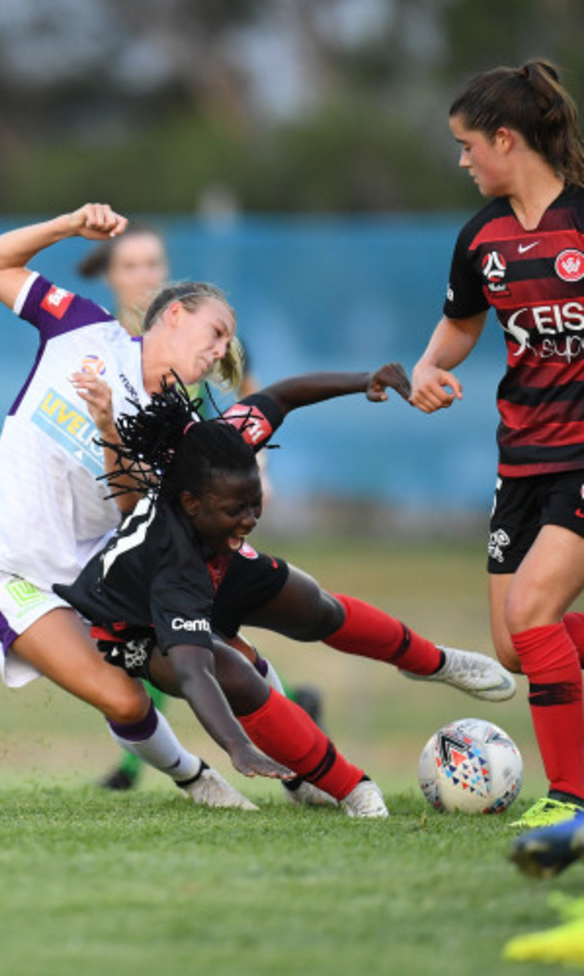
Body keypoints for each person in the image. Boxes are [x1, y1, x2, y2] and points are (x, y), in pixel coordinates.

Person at [58, 357, 516, 812]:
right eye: (236, 510)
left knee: (315, 606)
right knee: (236, 676)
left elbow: (281, 396)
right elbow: (192, 674)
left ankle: (431, 661)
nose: (251, 519)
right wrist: (237, 746)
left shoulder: (221, 453)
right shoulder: (173, 564)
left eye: (254, 504)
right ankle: (353, 789)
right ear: (192, 503)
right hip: (136, 623)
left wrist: (363, 378)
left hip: (211, 553)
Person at [0, 202, 267, 810]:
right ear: (174, 316)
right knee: (125, 701)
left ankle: (307, 770)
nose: (220, 351)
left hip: (95, 573)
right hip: (6, 564)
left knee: (238, 654)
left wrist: (108, 426)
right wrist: (67, 227)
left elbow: (129, 505)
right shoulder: (81, 328)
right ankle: (197, 781)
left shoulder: (177, 427)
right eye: (217, 333)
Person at [77, 225, 321, 794]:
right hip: (113, 521)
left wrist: (255, 471)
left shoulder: (194, 343)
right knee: (134, 649)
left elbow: (248, 389)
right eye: (131, 264)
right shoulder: (95, 345)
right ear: (111, 275)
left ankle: (297, 757)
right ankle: (151, 763)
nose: (143, 274)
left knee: (213, 644)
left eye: (153, 262)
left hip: (182, 520)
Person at [410, 60, 584, 829]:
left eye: (467, 144)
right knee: (518, 646)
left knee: (535, 611)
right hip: (520, 459)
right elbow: (461, 323)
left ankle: (572, 800)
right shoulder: (481, 238)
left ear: (505, 139)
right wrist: (427, 366)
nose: (462, 160)